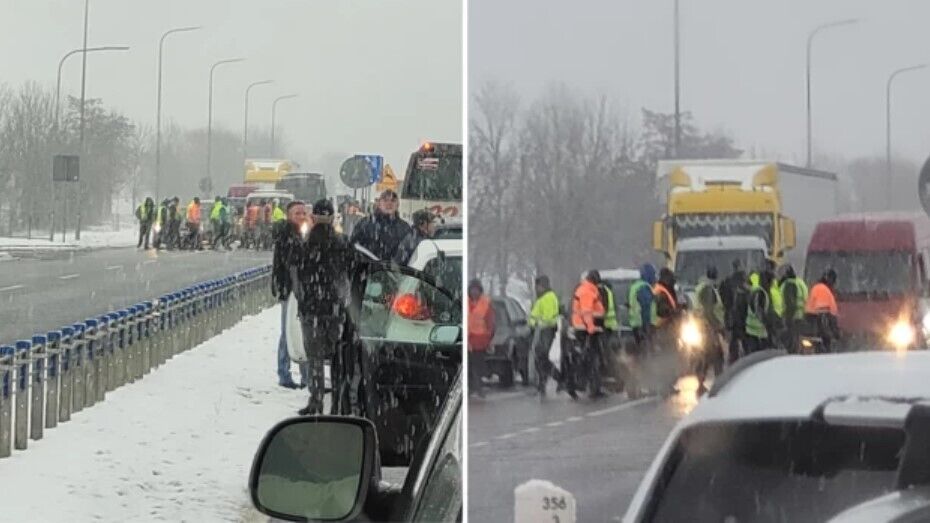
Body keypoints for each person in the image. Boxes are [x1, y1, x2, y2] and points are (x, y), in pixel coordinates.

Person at [291, 199, 357, 416]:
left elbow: (296, 276)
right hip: (335, 310)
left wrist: (302, 299)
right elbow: (352, 273)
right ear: (332, 217)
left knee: (314, 357)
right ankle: (338, 401)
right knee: (338, 357)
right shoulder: (342, 243)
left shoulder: (305, 244)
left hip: (312, 310)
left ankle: (316, 399)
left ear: (313, 217)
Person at [271, 200, 310, 389]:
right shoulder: (286, 236)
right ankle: (284, 373)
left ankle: (306, 376)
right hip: (290, 290)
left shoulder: (304, 234)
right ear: (289, 216)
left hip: (304, 290)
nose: (302, 217)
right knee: (288, 332)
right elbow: (285, 264)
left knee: (303, 332)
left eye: (304, 213)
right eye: (297, 213)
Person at [571, 271, 606, 399]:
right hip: (586, 330)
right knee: (591, 359)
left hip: (585, 329)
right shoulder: (587, 291)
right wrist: (591, 327)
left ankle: (592, 386)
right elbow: (587, 312)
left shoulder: (587, 289)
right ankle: (590, 386)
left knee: (591, 358)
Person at [349, 189, 412, 261]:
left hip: (396, 271)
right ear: (379, 204)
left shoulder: (404, 228)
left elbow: (409, 253)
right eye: (385, 200)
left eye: (393, 200)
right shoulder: (365, 224)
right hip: (368, 269)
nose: (389, 203)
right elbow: (354, 247)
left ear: (397, 204)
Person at [694, 266, 726, 392]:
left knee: (708, 355)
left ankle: (703, 382)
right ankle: (718, 382)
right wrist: (718, 325)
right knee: (715, 355)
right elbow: (709, 311)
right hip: (708, 327)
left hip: (702, 326)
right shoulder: (708, 289)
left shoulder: (702, 287)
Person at [528, 275, 559, 397]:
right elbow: (534, 315)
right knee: (541, 358)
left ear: (543, 286)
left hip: (545, 331)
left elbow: (548, 318)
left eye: (538, 286)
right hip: (541, 331)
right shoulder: (542, 299)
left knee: (542, 357)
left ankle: (554, 378)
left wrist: (537, 323)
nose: (537, 289)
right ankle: (546, 381)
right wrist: (532, 322)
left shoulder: (548, 298)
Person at [468, 279, 495, 399]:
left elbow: (491, 323)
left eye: (476, 290)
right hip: (467, 340)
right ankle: (472, 388)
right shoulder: (465, 302)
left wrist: (488, 338)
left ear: (480, 291)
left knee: (476, 366)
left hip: (479, 341)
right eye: (472, 289)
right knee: (468, 366)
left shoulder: (486, 304)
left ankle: (478, 388)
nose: (474, 292)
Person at [720, 260, 749, 364]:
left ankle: (733, 361)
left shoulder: (727, 281)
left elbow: (723, 297)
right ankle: (745, 361)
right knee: (745, 341)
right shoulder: (744, 283)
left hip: (732, 316)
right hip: (742, 317)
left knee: (734, 341)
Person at [745, 271, 781, 354]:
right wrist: (769, 324)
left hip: (757, 331)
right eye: (771, 281)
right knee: (758, 357)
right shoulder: (760, 293)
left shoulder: (762, 292)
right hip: (757, 332)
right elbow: (759, 312)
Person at [805, 268, 840, 352]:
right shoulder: (822, 289)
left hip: (813, 323)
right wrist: (831, 334)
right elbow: (823, 314)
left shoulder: (820, 288)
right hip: (817, 325)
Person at [780, 264, 808, 354]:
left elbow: (790, 304)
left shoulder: (789, 284)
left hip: (792, 316)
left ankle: (793, 354)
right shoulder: (800, 282)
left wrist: (787, 319)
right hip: (800, 315)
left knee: (792, 341)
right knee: (797, 338)